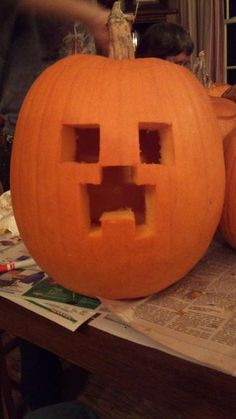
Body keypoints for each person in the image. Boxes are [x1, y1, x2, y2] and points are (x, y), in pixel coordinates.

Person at [0, 0, 113, 413]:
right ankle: (41, 395)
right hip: (35, 127)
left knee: (101, 250)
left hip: (81, 117)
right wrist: (92, 15)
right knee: (48, 264)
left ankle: (88, 362)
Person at [135, 21, 236, 102]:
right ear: (154, 61)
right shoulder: (141, 91)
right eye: (178, 63)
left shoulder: (182, 88)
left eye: (185, 64)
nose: (183, 70)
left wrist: (224, 100)